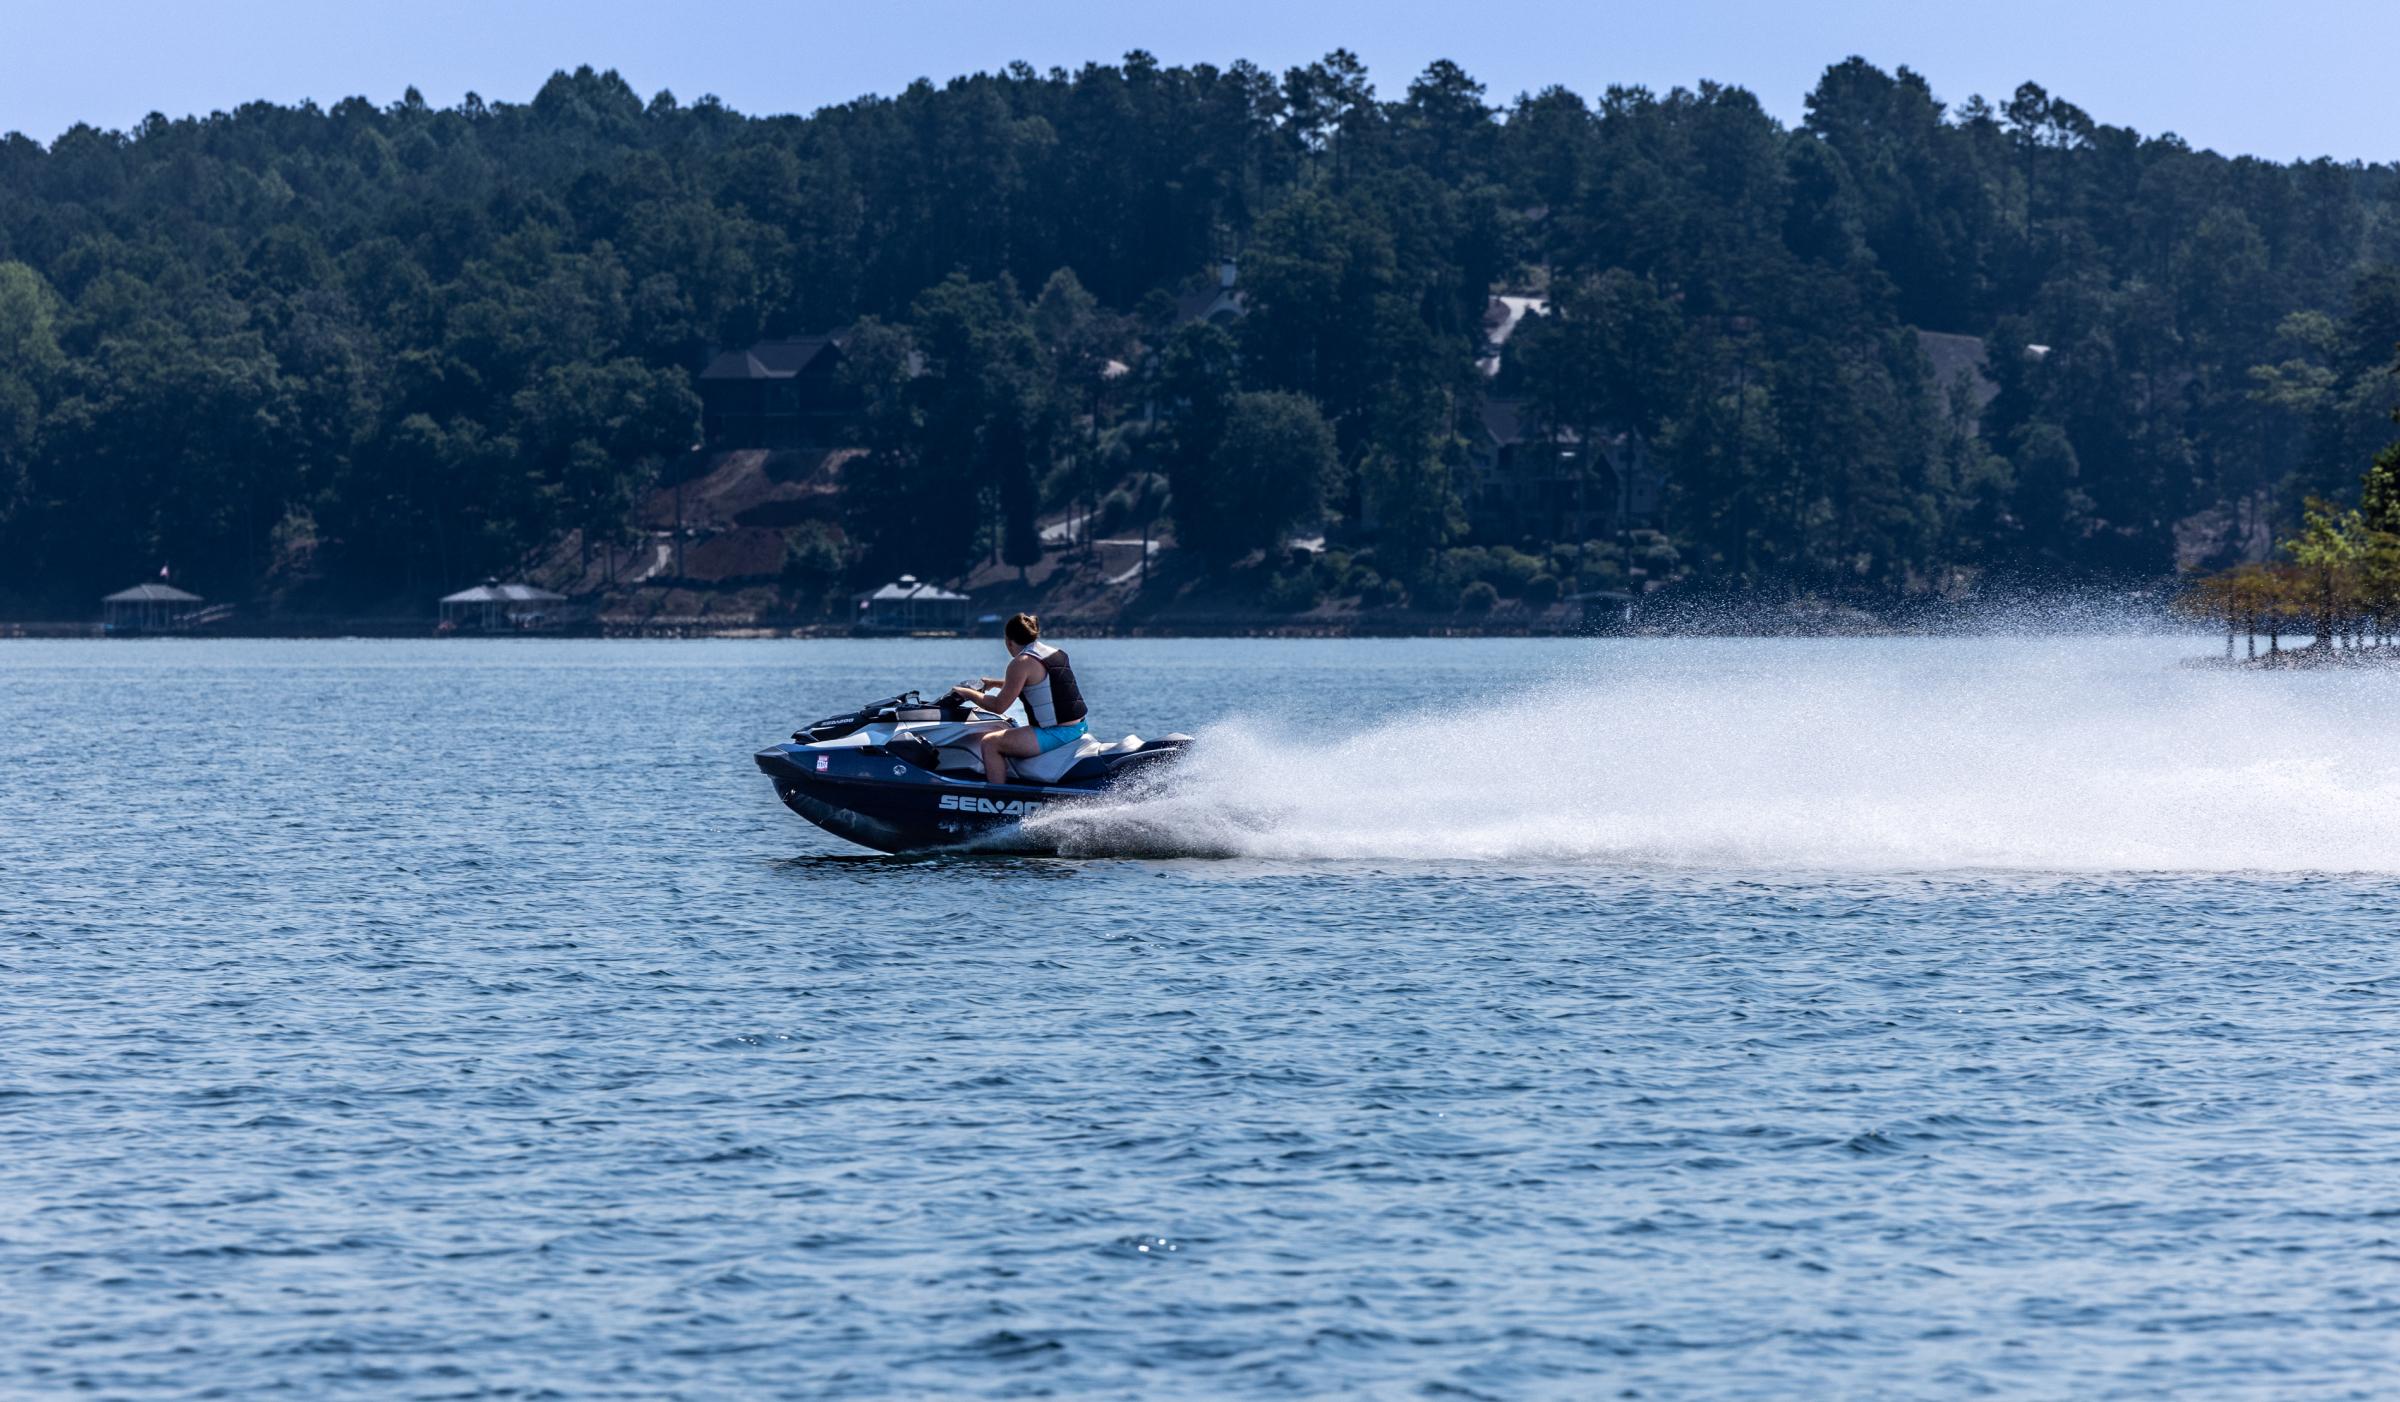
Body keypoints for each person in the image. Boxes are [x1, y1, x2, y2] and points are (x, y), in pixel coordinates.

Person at [949, 613, 1089, 784]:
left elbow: (998, 706)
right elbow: (1038, 685)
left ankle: (995, 799)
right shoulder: (1055, 653)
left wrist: (967, 692)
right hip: (1079, 726)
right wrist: (994, 683)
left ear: (1008, 641)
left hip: (1056, 733)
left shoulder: (1021, 662)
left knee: (990, 743)